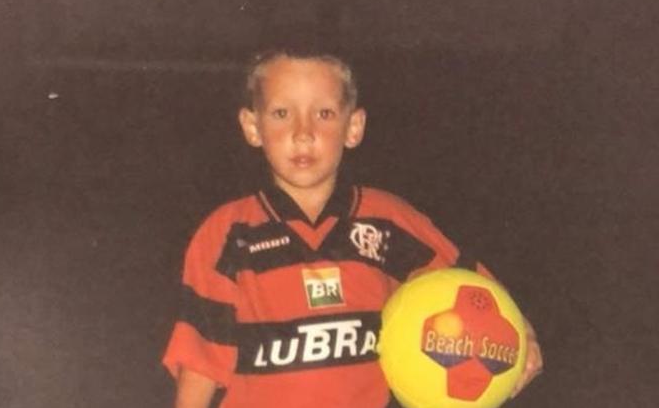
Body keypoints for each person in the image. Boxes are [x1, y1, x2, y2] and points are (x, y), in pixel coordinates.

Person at [163, 48, 543, 408]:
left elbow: (474, 292)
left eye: (324, 114)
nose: (303, 132)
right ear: (252, 126)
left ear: (354, 127)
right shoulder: (228, 233)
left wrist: (521, 335)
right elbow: (201, 359)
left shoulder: (388, 221)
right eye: (281, 113)